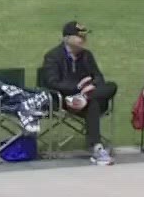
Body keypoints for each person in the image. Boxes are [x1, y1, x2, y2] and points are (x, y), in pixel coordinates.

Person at [39, 21, 117, 166]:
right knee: (93, 104)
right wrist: (77, 87)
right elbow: (52, 83)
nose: (84, 40)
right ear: (66, 38)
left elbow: (99, 77)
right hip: (65, 100)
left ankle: (85, 98)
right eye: (79, 36)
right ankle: (97, 148)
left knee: (111, 86)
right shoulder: (52, 56)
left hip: (87, 97)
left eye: (85, 36)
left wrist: (89, 88)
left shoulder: (87, 56)